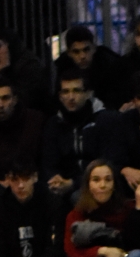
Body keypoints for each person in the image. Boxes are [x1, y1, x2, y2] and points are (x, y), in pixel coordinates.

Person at [42, 66, 102, 203]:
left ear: (88, 94)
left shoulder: (104, 120)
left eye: (76, 91)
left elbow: (108, 162)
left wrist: (73, 183)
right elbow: (49, 163)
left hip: (95, 183)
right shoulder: (53, 124)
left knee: (77, 197)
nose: (71, 97)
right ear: (60, 96)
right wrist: (55, 181)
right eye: (65, 92)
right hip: (63, 183)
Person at [53, 24, 125, 110]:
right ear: (69, 53)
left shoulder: (109, 64)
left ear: (94, 48)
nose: (82, 56)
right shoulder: (63, 66)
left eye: (86, 50)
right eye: (76, 52)